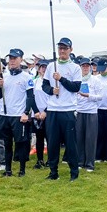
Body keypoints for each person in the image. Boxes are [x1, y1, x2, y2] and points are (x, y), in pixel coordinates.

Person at [41, 37, 81, 181]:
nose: (62, 51)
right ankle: (53, 172)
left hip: (68, 110)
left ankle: (74, 172)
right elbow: (44, 85)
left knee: (71, 144)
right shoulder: (51, 66)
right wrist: (52, 90)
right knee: (52, 143)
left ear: (71, 50)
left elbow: (75, 87)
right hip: (53, 109)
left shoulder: (75, 68)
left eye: (65, 48)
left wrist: (61, 79)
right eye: (60, 48)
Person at [0, 48, 35, 177]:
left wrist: (26, 112)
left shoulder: (26, 77)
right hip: (5, 114)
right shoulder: (4, 76)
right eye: (10, 58)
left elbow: (30, 97)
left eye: (15, 58)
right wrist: (0, 86)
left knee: (21, 143)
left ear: (21, 59)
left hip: (18, 115)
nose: (12, 61)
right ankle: (8, 170)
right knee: (7, 143)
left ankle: (22, 170)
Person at [76, 56, 102, 173]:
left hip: (91, 112)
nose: (85, 68)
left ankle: (90, 164)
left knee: (90, 139)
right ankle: (80, 162)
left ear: (90, 67)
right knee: (79, 138)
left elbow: (100, 96)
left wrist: (88, 96)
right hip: (79, 111)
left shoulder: (95, 80)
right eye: (83, 66)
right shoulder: (77, 80)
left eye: (87, 66)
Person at [32, 60, 50, 169]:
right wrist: (36, 111)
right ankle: (39, 160)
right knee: (39, 138)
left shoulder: (51, 82)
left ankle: (50, 160)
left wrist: (45, 112)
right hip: (37, 114)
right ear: (39, 69)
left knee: (50, 138)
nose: (43, 69)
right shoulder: (35, 82)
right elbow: (31, 97)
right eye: (42, 67)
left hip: (49, 112)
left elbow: (53, 98)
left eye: (45, 67)